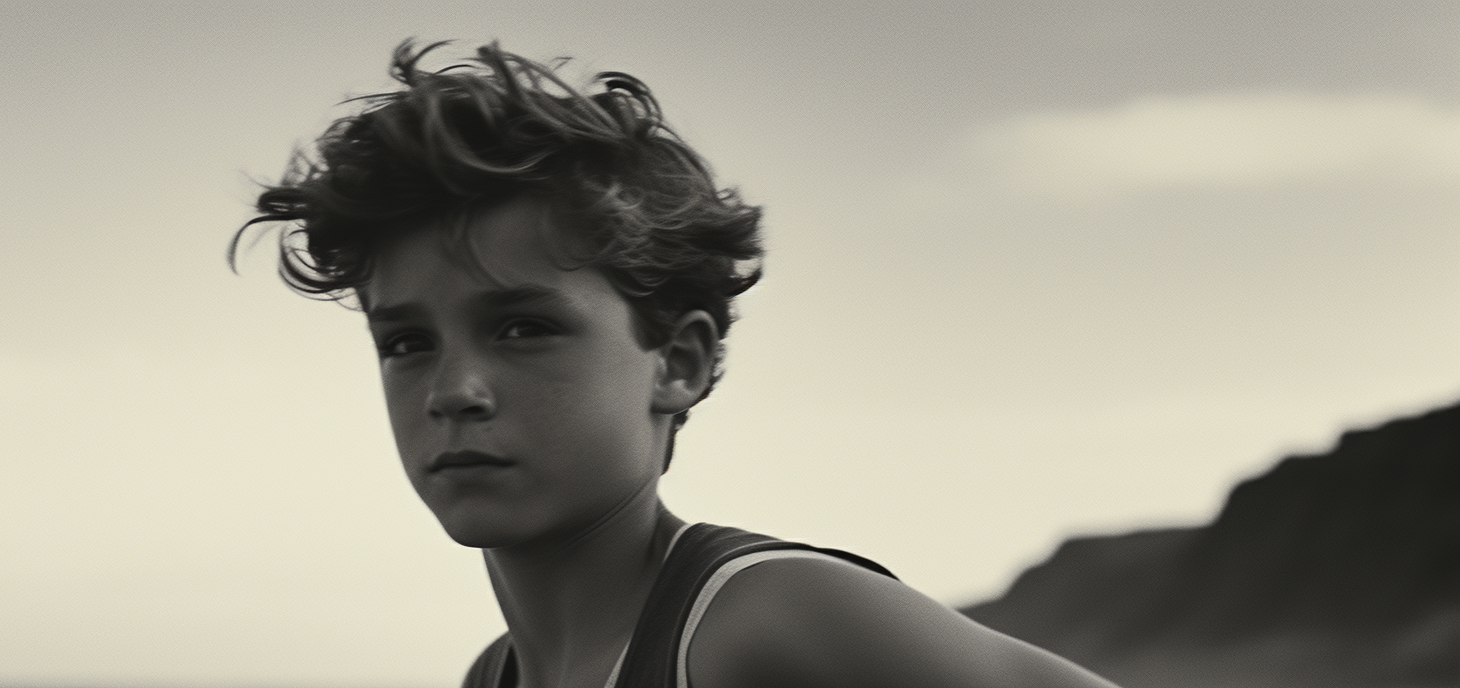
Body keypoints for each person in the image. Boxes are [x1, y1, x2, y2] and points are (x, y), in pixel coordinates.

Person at [236, 40, 1119, 688]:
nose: (454, 391)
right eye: (406, 343)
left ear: (680, 361)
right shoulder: (493, 677)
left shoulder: (763, 620)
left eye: (521, 328)